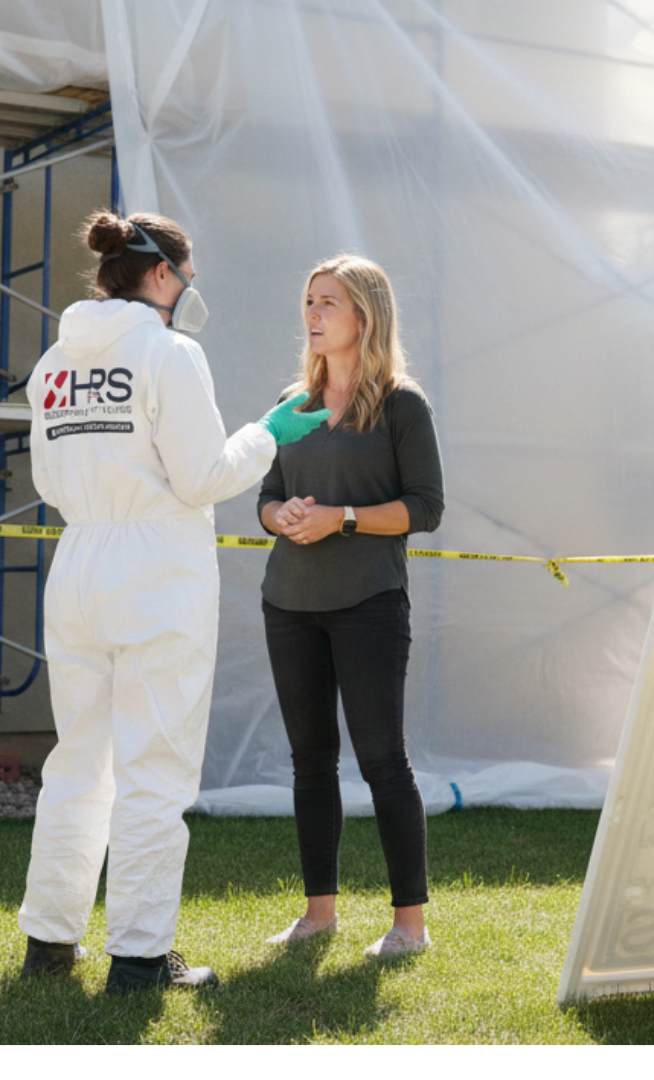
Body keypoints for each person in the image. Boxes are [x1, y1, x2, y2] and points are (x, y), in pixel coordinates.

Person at [17, 210, 328, 993]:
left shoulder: (53, 363)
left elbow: (49, 483)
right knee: (155, 769)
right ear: (162, 275)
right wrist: (267, 435)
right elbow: (201, 478)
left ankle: (50, 942)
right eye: (187, 279)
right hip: (156, 570)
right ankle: (141, 959)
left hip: (80, 561)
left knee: (79, 763)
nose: (190, 293)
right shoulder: (171, 354)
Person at [258, 254, 444, 957]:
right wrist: (281, 517)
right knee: (310, 762)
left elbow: (426, 508)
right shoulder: (290, 405)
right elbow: (264, 495)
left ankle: (409, 927)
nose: (312, 314)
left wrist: (342, 518)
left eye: (327, 303)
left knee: (383, 763)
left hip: (368, 604)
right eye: (308, 301)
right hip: (289, 602)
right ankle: (318, 915)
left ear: (364, 316)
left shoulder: (402, 404)